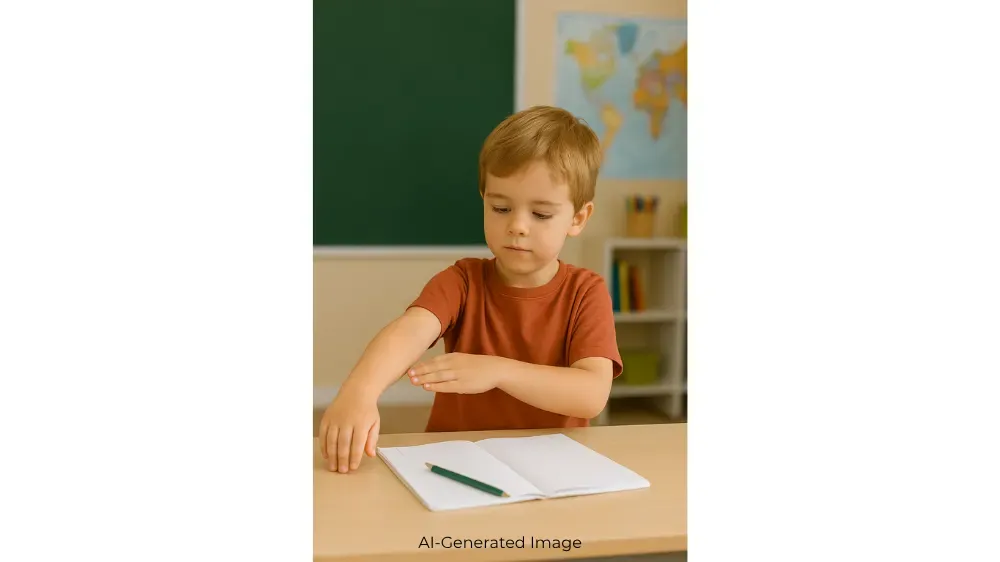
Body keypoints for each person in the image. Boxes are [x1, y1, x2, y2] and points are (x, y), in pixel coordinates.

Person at [318, 105, 622, 473]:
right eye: (500, 207)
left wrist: (497, 371)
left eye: (540, 214)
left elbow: (591, 395)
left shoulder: (586, 292)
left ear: (577, 218)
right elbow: (410, 330)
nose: (518, 226)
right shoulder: (462, 280)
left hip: (551, 469)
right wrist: (360, 392)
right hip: (457, 464)